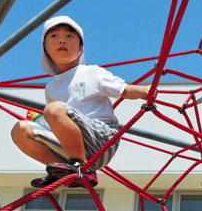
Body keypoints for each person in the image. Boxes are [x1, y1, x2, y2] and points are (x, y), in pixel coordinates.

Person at [11, 15, 153, 188]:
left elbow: (123, 89)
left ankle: (80, 167)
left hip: (102, 140)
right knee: (20, 129)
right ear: (46, 49)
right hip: (72, 146)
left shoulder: (92, 72)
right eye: (54, 36)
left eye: (69, 36)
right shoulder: (51, 88)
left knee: (53, 110)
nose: (62, 40)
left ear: (80, 48)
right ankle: (61, 171)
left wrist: (144, 92)